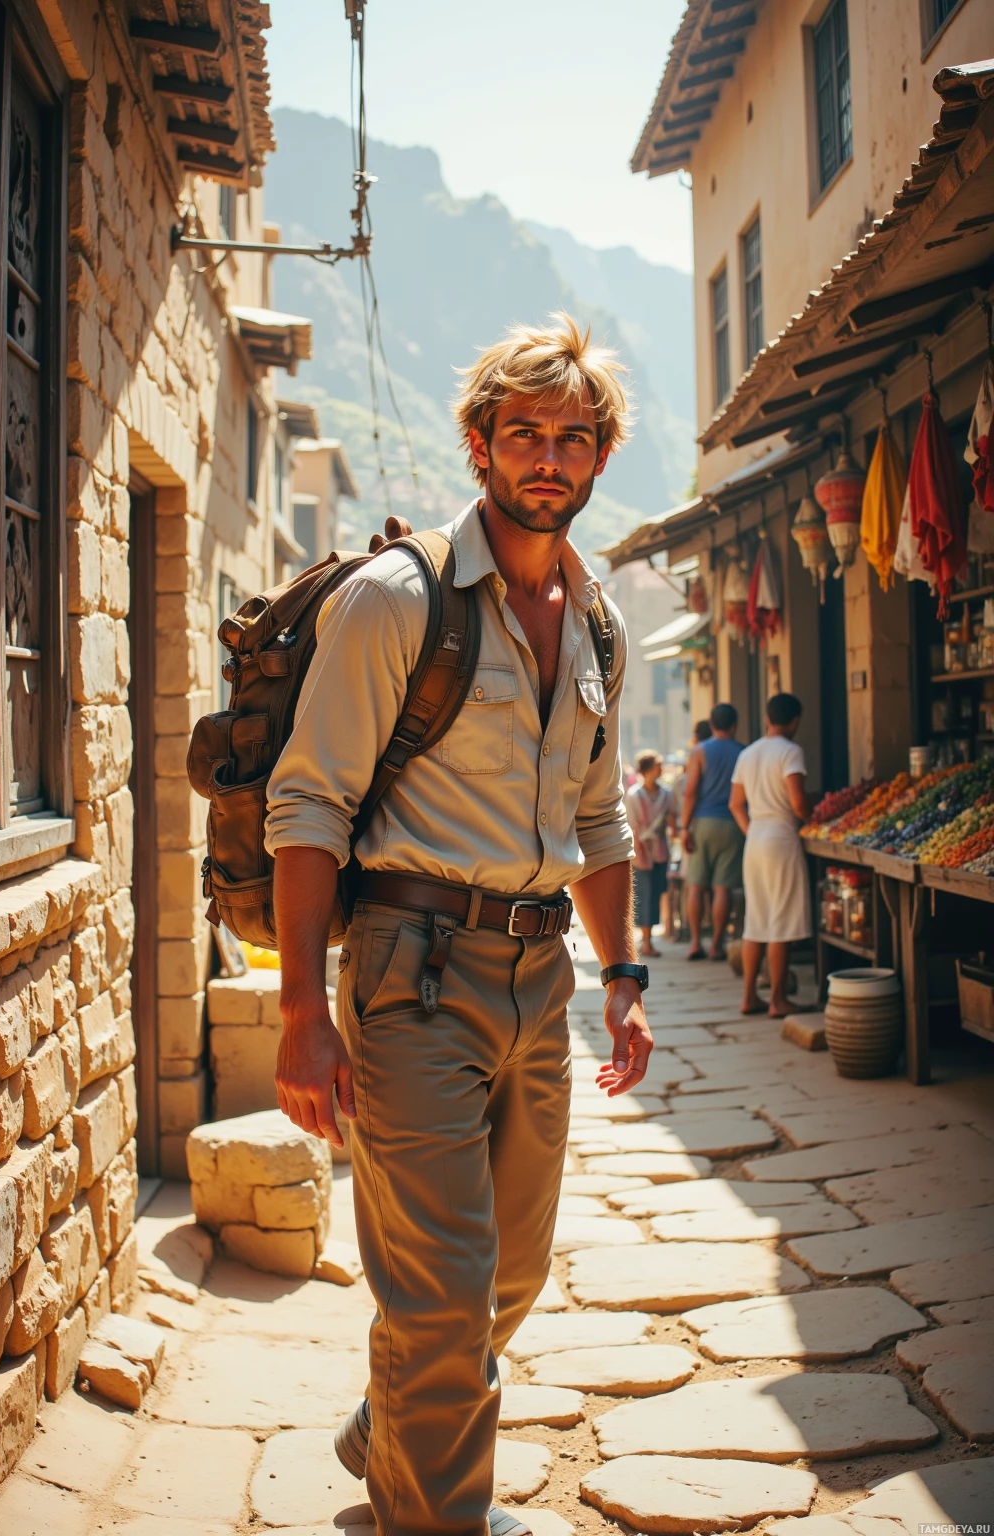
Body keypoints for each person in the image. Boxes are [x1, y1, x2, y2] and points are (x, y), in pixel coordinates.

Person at [265, 314, 653, 1536]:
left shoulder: (597, 626)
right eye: (524, 432)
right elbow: (309, 800)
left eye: (573, 437)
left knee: (512, 1276)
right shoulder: (399, 600)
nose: (549, 455)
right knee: (440, 1296)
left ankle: (393, 1429)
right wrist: (295, 1018)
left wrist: (626, 977)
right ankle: (432, 1514)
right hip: (407, 973)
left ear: (597, 459)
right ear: (479, 445)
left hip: (542, 980)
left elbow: (598, 821)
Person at [728, 692, 811, 1017]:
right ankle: (778, 999)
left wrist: (753, 830)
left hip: (757, 838)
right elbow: (799, 803)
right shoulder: (791, 751)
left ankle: (749, 996)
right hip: (781, 838)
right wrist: (813, 814)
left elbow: (735, 803)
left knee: (757, 921)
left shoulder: (748, 753)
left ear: (767, 718)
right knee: (781, 921)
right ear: (794, 721)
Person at [680, 702, 745, 960]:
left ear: (712, 723)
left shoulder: (699, 751)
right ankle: (717, 944)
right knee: (722, 889)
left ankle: (696, 942)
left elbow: (690, 791)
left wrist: (685, 827)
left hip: (703, 824)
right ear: (734, 725)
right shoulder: (744, 751)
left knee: (695, 886)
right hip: (732, 823)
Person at [626, 749, 676, 957]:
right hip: (640, 852)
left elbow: (672, 819)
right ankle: (645, 942)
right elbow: (631, 825)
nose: (661, 770)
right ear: (647, 770)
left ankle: (648, 941)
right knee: (643, 895)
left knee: (655, 894)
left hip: (660, 851)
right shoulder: (634, 795)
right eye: (657, 766)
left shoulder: (666, 794)